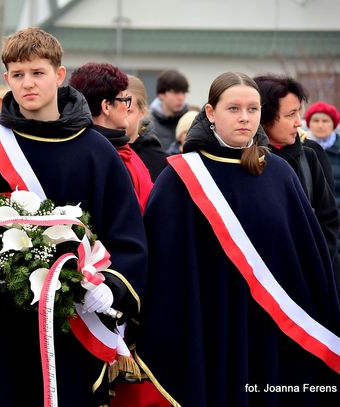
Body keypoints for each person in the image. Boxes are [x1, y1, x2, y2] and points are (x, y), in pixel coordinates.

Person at [0, 27, 147, 407]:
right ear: (7, 80)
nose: (28, 83)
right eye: (18, 75)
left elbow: (127, 237)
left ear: (59, 75)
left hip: (73, 323)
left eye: (37, 73)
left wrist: (111, 288)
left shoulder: (98, 152)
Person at [136, 71, 340, 406]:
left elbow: (309, 258)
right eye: (233, 109)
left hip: (271, 331)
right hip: (208, 326)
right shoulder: (180, 177)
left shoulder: (279, 174)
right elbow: (162, 266)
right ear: (211, 112)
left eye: (253, 109)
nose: (245, 118)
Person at [254, 74, 340, 283]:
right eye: (291, 114)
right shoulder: (244, 161)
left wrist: (316, 264)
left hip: (308, 280)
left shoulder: (310, 155)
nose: (298, 122)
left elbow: (328, 218)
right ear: (264, 118)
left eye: (298, 112)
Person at [69, 62, 153, 213]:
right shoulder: (102, 158)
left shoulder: (123, 149)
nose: (128, 108)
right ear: (106, 106)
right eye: (124, 100)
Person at [124, 74, 168, 181]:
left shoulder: (160, 161)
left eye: (128, 111)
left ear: (142, 112)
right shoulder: (100, 150)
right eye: (115, 108)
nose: (121, 116)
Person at [148, 69, 190, 152]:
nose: (181, 98)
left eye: (183, 93)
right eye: (175, 92)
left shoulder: (191, 121)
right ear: (161, 94)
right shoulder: (147, 125)